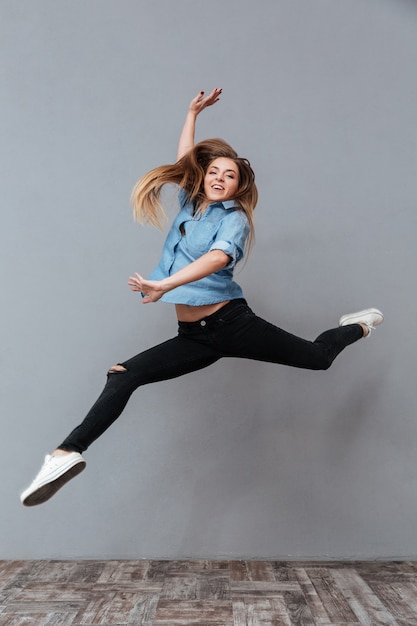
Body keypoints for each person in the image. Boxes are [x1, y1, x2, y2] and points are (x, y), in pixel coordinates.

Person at [20, 88, 383, 507]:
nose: (219, 179)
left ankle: (357, 325)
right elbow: (185, 160)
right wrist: (191, 113)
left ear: (238, 188)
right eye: (214, 172)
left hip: (233, 325)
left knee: (319, 358)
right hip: (193, 336)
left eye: (230, 176)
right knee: (123, 375)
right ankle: (66, 454)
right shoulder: (189, 202)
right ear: (203, 175)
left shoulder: (236, 222)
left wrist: (165, 285)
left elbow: (216, 259)